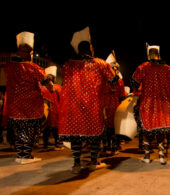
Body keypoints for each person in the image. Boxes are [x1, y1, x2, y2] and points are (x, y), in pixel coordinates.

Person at [58, 27, 118, 173]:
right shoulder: (100, 63)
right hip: (93, 106)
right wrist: (115, 71)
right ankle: (93, 162)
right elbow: (113, 82)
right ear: (90, 48)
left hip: (73, 107)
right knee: (94, 135)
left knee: (76, 137)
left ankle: (76, 163)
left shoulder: (67, 65)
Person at [4, 31, 51, 164]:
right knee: (30, 131)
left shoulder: (8, 67)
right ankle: (27, 156)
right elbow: (47, 82)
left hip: (14, 105)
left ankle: (20, 155)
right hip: (31, 106)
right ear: (29, 53)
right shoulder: (33, 68)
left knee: (18, 131)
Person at [132, 43, 170, 165]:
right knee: (160, 128)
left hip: (148, 103)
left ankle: (147, 156)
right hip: (163, 103)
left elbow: (134, 81)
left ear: (149, 55)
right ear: (158, 55)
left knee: (147, 129)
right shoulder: (167, 68)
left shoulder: (144, 66)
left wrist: (137, 91)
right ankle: (161, 155)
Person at [102, 51, 126, 155]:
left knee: (113, 126)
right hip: (105, 105)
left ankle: (112, 146)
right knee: (106, 127)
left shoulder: (119, 81)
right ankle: (107, 146)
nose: (115, 70)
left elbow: (121, 96)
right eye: (113, 67)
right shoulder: (104, 79)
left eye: (116, 68)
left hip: (114, 105)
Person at [41, 65, 64, 151]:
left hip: (52, 111)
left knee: (51, 130)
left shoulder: (55, 88)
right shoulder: (56, 87)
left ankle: (47, 144)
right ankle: (55, 144)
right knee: (52, 130)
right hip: (51, 111)